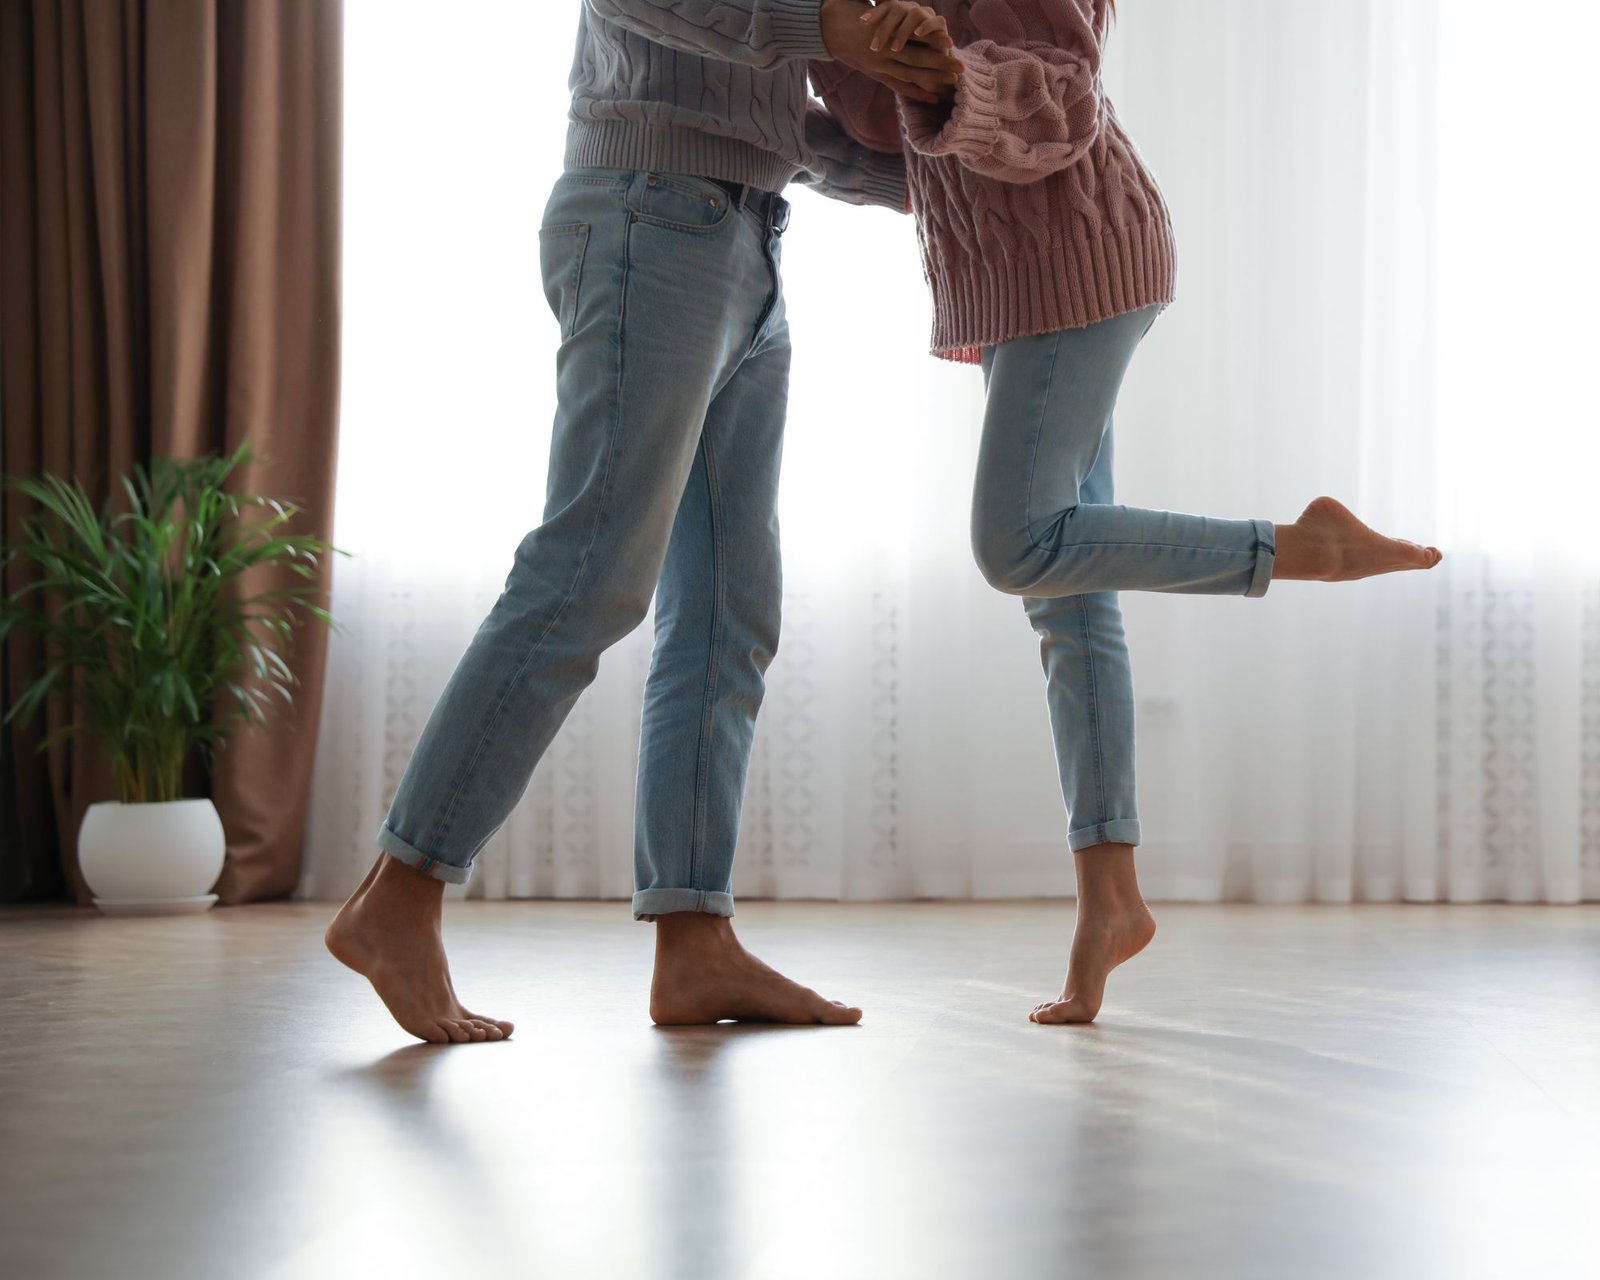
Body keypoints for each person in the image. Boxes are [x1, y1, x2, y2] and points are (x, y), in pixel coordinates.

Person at [326, 0, 962, 1042]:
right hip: (647, 220)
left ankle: (693, 938)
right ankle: (398, 895)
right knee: (587, 573)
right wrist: (825, 29)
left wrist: (928, 146)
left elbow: (766, 122)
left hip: (742, 235)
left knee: (727, 608)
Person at [811, 0, 1442, 1024]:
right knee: (1066, 589)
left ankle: (1303, 547)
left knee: (1018, 545)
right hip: (1018, 286)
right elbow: (891, 131)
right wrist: (841, 86)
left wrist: (945, 77)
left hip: (1075, 263)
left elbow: (1060, 93)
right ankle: (1111, 904)